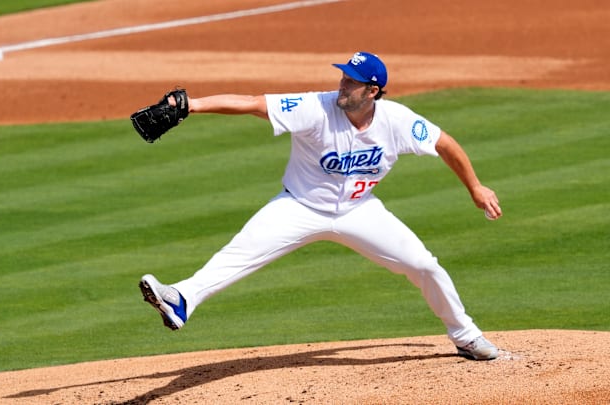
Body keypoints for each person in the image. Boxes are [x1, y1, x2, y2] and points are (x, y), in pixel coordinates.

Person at [139, 52, 502, 360]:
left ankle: (465, 335)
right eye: (343, 77)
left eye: (352, 81)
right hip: (299, 207)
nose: (343, 84)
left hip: (360, 211)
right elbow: (253, 103)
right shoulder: (314, 107)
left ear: (372, 91)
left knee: (423, 264)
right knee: (237, 254)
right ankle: (181, 298)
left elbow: (445, 143)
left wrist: (476, 187)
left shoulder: (398, 121)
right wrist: (191, 106)